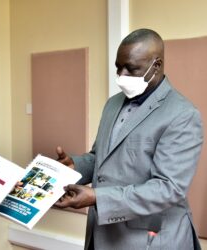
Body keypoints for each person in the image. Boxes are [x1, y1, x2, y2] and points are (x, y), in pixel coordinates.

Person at [55, 29, 204, 250]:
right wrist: (75, 166)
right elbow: (101, 157)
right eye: (118, 67)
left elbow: (168, 188)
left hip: (150, 240)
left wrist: (98, 198)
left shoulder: (182, 114)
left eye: (131, 68)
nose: (122, 75)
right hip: (102, 234)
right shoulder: (113, 104)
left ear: (156, 65)